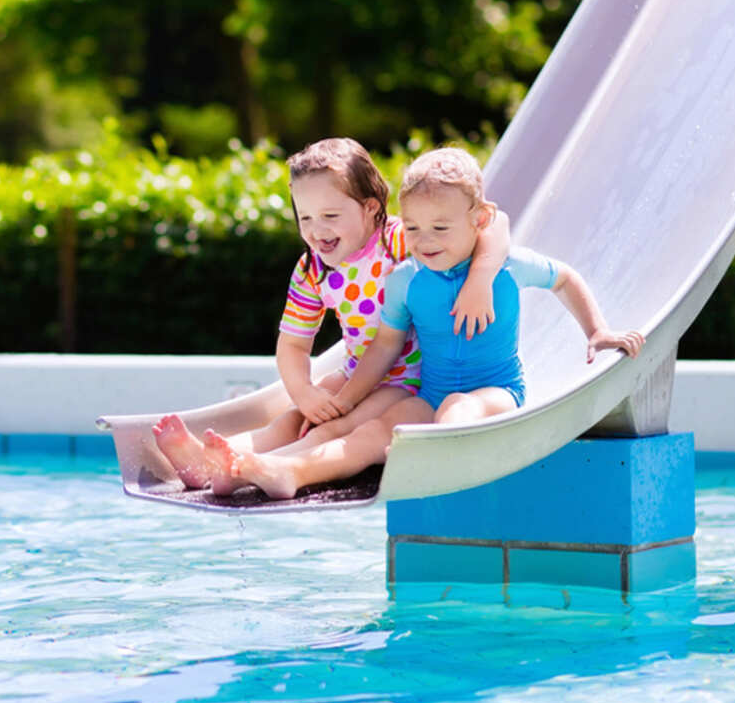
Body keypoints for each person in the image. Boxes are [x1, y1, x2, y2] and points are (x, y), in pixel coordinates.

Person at [217, 146, 644, 499]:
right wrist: (347, 398)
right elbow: (384, 347)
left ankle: (439, 466)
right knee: (369, 432)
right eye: (416, 227)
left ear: (478, 220)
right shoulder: (405, 280)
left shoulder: (507, 267)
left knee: (460, 408)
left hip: (495, 390)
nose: (423, 240)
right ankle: (290, 471)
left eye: (440, 227)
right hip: (430, 392)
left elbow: (565, 278)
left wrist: (597, 332)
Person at [152, 137, 511, 494]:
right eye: (305, 216)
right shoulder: (312, 269)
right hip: (356, 373)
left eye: (330, 216)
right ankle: (212, 462)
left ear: (370, 208)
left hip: (407, 379)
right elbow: (293, 344)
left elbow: (496, 224)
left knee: (338, 425)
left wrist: (480, 278)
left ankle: (254, 469)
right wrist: (305, 393)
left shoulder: (402, 239)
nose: (316, 229)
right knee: (297, 418)